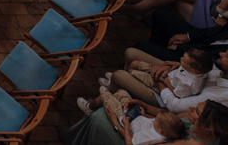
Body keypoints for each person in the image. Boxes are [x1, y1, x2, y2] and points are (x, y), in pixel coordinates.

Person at [77, 49, 213, 115]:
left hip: (162, 91)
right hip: (169, 76)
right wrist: (177, 64)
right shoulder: (198, 70)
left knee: (128, 73)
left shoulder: (188, 83)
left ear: (194, 70)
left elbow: (176, 95)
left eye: (184, 60)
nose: (181, 60)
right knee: (133, 60)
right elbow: (186, 68)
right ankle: (118, 81)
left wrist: (162, 79)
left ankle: (114, 85)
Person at [62, 97, 228, 145]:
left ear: (208, 128)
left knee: (100, 118)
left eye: (196, 111)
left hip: (135, 141)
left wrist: (115, 124)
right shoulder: (204, 129)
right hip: (149, 133)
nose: (191, 108)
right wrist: (144, 108)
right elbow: (167, 118)